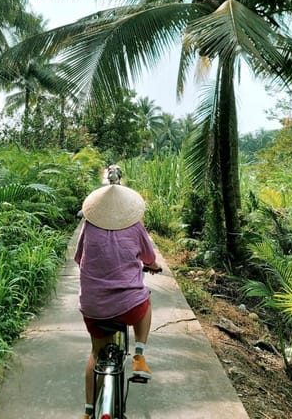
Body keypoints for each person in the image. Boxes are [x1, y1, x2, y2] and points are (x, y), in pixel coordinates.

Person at [74, 167, 161, 419]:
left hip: (94, 308)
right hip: (129, 306)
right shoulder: (135, 227)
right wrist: (154, 267)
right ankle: (140, 356)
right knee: (145, 300)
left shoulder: (89, 226)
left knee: (95, 353)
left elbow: (80, 258)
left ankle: (89, 412)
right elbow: (150, 258)